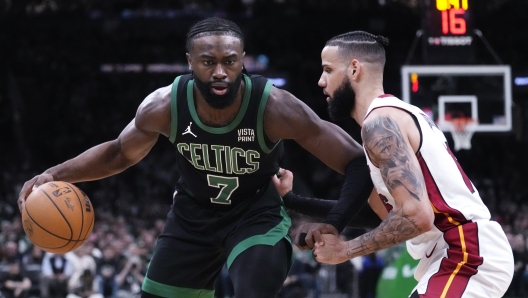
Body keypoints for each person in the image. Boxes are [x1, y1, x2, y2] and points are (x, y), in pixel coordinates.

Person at [18, 17, 374, 297]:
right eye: (208, 62)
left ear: (242, 61)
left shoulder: (275, 107)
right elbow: (118, 153)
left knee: (254, 289)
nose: (220, 72)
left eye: (230, 62)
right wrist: (56, 174)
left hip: (255, 215)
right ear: (190, 62)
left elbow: (355, 160)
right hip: (192, 218)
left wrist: (336, 221)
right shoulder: (163, 106)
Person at [273, 31, 514, 297]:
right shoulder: (392, 118)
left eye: (328, 70)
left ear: (354, 69)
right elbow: (381, 216)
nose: (321, 81)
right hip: (450, 256)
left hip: (465, 253)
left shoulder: (379, 125)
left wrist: (346, 250)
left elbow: (416, 215)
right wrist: (294, 201)